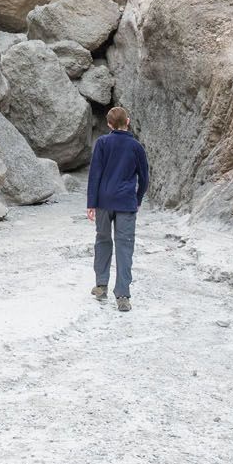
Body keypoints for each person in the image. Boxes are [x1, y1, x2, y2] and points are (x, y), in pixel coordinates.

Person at [86, 106, 149, 313]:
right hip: (126, 203)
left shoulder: (102, 143)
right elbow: (145, 179)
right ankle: (122, 296)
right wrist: (137, 199)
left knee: (102, 241)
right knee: (125, 247)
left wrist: (91, 203)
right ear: (128, 121)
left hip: (104, 202)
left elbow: (95, 174)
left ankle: (101, 285)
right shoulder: (136, 147)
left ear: (109, 124)